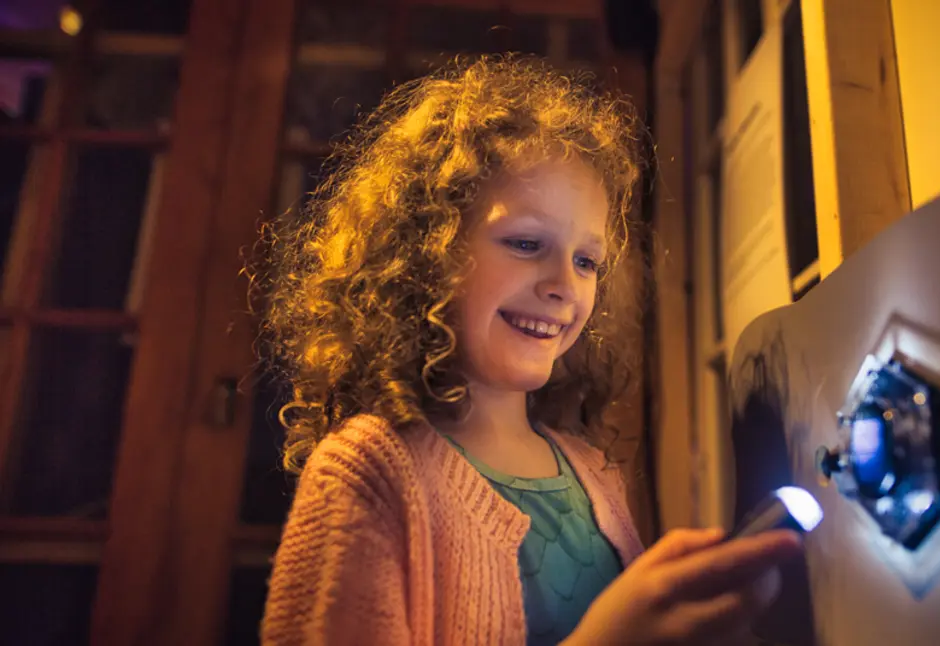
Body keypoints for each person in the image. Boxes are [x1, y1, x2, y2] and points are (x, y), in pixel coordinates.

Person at [258, 56, 801, 645]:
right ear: (424, 253)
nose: (564, 286)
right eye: (525, 243)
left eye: (587, 261)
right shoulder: (369, 472)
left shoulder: (593, 475)